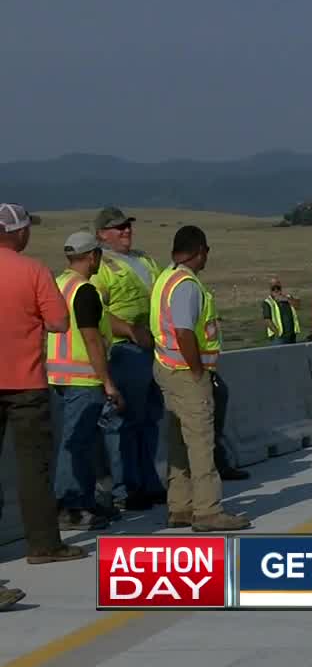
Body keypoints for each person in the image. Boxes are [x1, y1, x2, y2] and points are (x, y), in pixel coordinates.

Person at [0, 204, 88, 590]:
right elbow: (58, 322)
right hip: (26, 383)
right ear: (18, 233)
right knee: (33, 467)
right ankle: (43, 544)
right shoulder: (33, 271)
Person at [149, 225, 250, 532]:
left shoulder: (165, 277)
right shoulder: (187, 285)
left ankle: (180, 506)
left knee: (179, 440)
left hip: (165, 366)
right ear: (198, 251)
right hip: (185, 372)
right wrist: (198, 372)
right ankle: (207, 511)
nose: (207, 258)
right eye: (206, 252)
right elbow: (183, 332)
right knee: (201, 442)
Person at [91, 206, 166, 512]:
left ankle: (148, 482)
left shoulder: (146, 259)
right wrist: (131, 330)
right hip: (125, 350)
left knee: (149, 419)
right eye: (118, 228)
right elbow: (95, 312)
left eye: (127, 226)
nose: (125, 231)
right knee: (122, 423)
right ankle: (126, 488)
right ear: (101, 235)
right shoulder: (101, 267)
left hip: (154, 349)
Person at [48, 231, 123, 531]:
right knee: (76, 443)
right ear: (93, 256)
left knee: (82, 441)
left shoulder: (58, 285)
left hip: (58, 375)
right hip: (83, 377)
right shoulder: (85, 290)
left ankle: (85, 500)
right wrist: (108, 382)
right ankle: (70, 507)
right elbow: (92, 339)